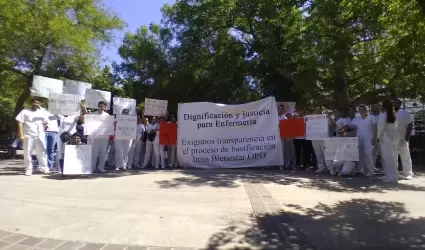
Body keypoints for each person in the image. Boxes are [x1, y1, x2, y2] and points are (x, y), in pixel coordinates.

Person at [15, 98, 50, 176]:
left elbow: (46, 122)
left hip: (40, 135)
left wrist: (46, 126)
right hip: (28, 135)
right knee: (27, 153)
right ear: (31, 103)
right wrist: (21, 135)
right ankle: (28, 169)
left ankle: (44, 168)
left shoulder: (42, 112)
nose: (35, 104)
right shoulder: (25, 111)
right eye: (34, 102)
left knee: (42, 152)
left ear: (39, 104)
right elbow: (20, 123)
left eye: (37, 103)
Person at [376, 100, 399, 183]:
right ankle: (389, 175)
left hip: (386, 137)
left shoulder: (383, 115)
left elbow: (381, 127)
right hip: (395, 136)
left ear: (383, 107)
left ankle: (392, 177)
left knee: (387, 158)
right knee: (393, 157)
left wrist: (377, 137)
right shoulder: (394, 115)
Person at [351, 105, 375, 177]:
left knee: (367, 153)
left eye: (363, 110)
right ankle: (363, 170)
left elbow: (375, 128)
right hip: (359, 138)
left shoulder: (371, 117)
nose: (362, 111)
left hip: (369, 138)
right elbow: (353, 129)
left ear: (366, 110)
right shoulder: (356, 119)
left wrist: (375, 137)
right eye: (360, 110)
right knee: (361, 155)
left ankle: (371, 171)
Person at [394, 99, 414, 180]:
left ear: (400, 104)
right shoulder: (389, 113)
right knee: (393, 157)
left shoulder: (404, 113)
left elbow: (410, 124)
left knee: (405, 156)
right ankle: (394, 173)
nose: (394, 104)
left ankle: (408, 173)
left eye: (396, 103)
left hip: (402, 138)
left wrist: (407, 136)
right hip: (392, 139)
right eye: (393, 103)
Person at [88, 101, 110, 173]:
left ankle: (101, 167)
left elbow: (109, 126)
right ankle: (92, 167)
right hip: (95, 136)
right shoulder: (93, 114)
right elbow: (89, 124)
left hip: (104, 136)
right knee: (94, 152)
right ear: (98, 106)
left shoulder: (107, 116)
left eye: (103, 106)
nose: (102, 107)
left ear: (105, 107)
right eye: (100, 106)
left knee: (103, 152)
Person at [370, 103, 384, 168]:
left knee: (383, 154)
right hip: (371, 138)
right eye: (374, 106)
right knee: (372, 154)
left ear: (380, 107)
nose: (375, 107)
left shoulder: (383, 116)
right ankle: (371, 169)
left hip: (382, 138)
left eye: (377, 106)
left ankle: (386, 171)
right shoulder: (369, 117)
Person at [277, 105, 287, 169]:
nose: (280, 110)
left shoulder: (285, 118)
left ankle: (281, 165)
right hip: (274, 136)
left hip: (282, 136)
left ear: (283, 110)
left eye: (281, 109)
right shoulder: (274, 117)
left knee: (282, 150)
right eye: (279, 109)